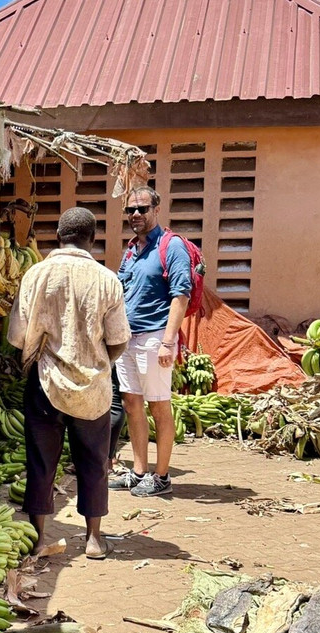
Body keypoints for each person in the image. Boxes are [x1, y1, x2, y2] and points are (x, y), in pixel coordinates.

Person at [7, 207, 130, 558]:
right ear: (92, 240)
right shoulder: (107, 279)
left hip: (45, 384)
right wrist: (100, 360)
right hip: (93, 390)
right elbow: (119, 337)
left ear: (58, 237)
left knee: (42, 462)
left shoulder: (36, 274)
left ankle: (39, 537)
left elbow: (17, 336)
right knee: (94, 462)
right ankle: (93, 539)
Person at [111, 186, 192, 498]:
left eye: (142, 209)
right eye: (131, 210)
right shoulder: (132, 249)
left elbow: (180, 295)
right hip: (128, 340)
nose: (136, 215)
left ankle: (161, 476)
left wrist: (168, 342)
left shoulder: (172, 247)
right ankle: (139, 471)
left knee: (159, 406)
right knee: (132, 403)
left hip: (156, 336)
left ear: (156, 209)